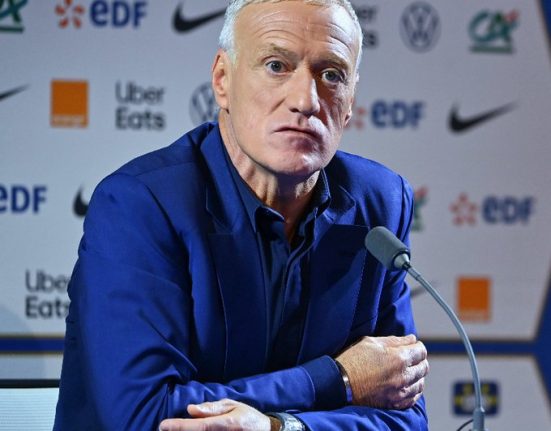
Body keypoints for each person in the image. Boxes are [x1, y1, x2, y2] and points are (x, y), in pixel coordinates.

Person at [54, 1, 429, 430]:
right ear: (222, 80)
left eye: (331, 75)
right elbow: (145, 415)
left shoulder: (380, 203)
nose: (306, 101)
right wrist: (338, 379)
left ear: (350, 102)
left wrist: (282, 427)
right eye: (276, 66)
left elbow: (404, 415)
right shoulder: (141, 205)